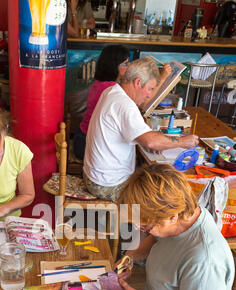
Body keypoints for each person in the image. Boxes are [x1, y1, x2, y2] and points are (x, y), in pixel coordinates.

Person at [83, 57, 199, 202]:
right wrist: (182, 141)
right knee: (164, 198)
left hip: (95, 177)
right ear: (138, 82)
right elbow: (150, 142)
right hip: (107, 185)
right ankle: (136, 224)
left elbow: (146, 139)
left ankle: (132, 223)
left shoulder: (112, 91)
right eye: (150, 89)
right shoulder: (124, 105)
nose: (150, 95)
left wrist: (156, 141)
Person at [73, 44, 130, 161]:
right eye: (125, 63)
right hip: (87, 144)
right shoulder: (110, 88)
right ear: (114, 66)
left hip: (83, 138)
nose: (128, 67)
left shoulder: (101, 83)